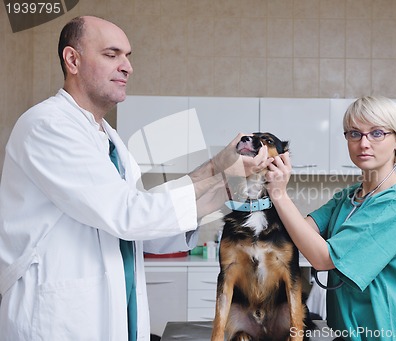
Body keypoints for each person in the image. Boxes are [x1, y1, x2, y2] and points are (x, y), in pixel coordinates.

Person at [0, 16, 271, 341]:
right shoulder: (47, 126)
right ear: (72, 60)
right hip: (56, 320)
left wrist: (220, 173)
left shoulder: (110, 140)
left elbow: (146, 227)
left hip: (111, 315)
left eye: (128, 56)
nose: (127, 67)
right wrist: (222, 179)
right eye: (112, 55)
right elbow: (128, 213)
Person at [266, 96, 396, 340]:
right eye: (354, 134)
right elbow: (298, 233)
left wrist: (279, 193)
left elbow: (323, 258)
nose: (364, 143)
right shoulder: (351, 195)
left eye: (377, 133)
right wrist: (265, 180)